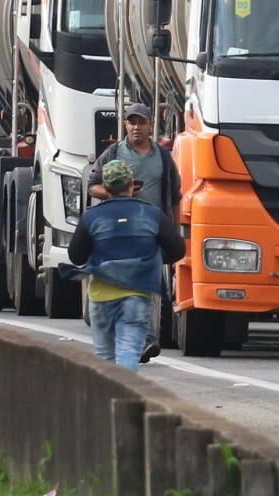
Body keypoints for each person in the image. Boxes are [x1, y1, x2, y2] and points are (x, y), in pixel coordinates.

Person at [68, 160, 184, 372]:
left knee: (104, 357)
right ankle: (123, 400)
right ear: (132, 185)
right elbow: (178, 250)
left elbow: (76, 255)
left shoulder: (91, 217)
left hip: (100, 297)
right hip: (136, 296)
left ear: (105, 187)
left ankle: (107, 400)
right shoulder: (152, 214)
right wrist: (154, 257)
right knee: (129, 352)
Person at [88, 103, 182, 362]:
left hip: (151, 230)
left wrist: (174, 230)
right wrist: (118, 192)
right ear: (125, 125)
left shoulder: (163, 157)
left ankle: (146, 339)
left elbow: (175, 195)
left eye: (140, 122)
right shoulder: (114, 153)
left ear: (150, 125)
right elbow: (92, 186)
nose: (136, 127)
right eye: (131, 122)